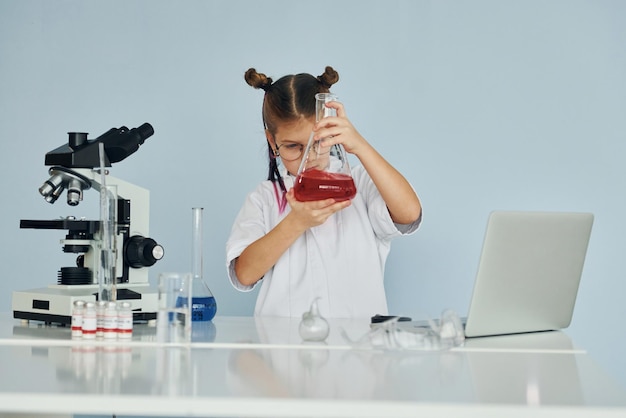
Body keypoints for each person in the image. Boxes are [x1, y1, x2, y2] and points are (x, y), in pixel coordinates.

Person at [226, 66, 422, 317]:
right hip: (286, 348)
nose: (309, 157)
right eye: (294, 146)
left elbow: (409, 213)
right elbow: (244, 274)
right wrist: (296, 222)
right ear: (272, 142)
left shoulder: (359, 183)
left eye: (318, 143)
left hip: (359, 348)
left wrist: (359, 145)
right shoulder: (264, 198)